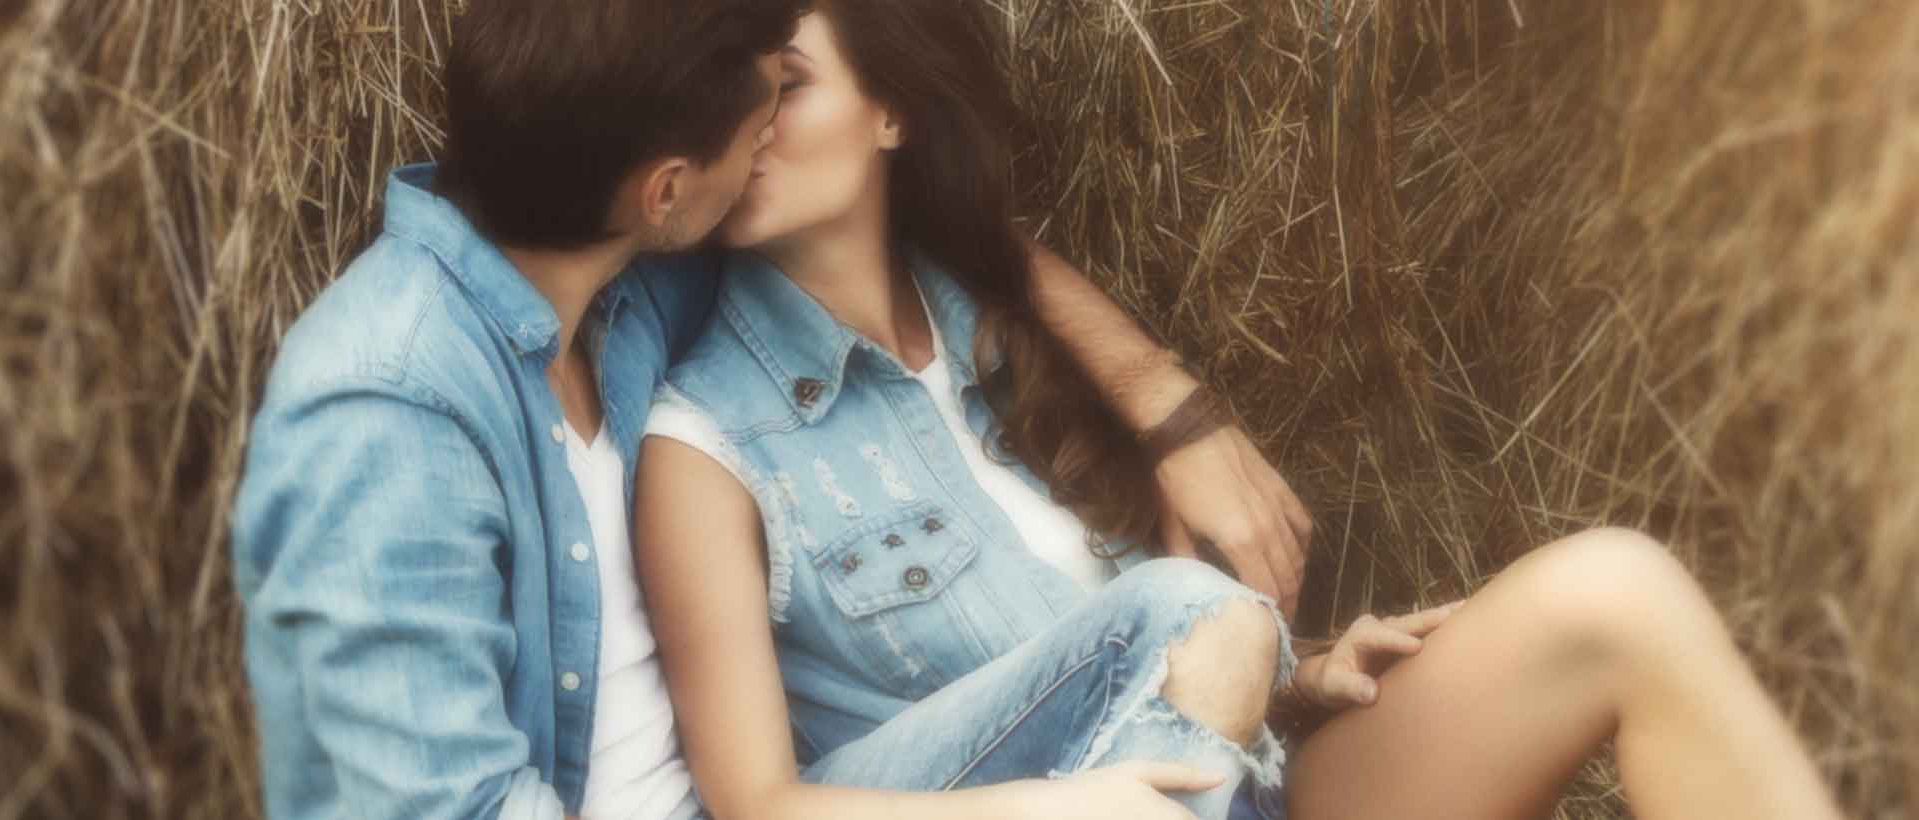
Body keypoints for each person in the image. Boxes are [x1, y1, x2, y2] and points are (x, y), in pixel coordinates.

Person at [631, 3, 1849, 820]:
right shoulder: (709, 445)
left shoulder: (1000, 334)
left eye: (785, 87)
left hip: (1238, 785)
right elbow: (760, 807)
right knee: (1180, 601)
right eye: (730, 98)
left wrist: (1300, 675)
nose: (742, 128)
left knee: (1612, 591)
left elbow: (1143, 668)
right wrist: (1067, 802)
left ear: (891, 114)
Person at [229, 2, 1313, 820]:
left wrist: (1176, 413)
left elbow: (944, 250)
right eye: (757, 116)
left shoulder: (623, 291)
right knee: (1191, 613)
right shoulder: (384, 409)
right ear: (667, 190)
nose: (762, 146)